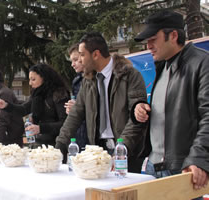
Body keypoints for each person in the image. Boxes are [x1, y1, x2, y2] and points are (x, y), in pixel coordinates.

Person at [132, 10, 209, 190]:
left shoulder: (202, 63)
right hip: (153, 166)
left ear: (173, 35)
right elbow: (166, 111)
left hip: (183, 169)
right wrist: (139, 109)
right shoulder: (163, 66)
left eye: (153, 39)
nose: (148, 46)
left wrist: (198, 158)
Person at [55, 32, 147, 172]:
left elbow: (136, 119)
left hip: (127, 153)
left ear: (96, 54)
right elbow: (75, 114)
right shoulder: (88, 81)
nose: (80, 60)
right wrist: (59, 146)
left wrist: (122, 150)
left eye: (82, 55)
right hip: (99, 153)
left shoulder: (130, 76)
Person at [0, 63, 70, 147]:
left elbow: (65, 123)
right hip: (40, 142)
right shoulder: (37, 94)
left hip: (57, 143)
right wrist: (6, 105)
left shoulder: (59, 93)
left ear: (44, 78)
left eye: (33, 79)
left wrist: (40, 128)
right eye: (29, 80)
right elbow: (24, 109)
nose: (30, 83)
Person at [64, 43, 89, 151]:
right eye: (71, 61)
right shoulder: (76, 81)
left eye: (75, 59)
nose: (72, 64)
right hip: (78, 133)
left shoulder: (98, 79)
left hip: (92, 133)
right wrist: (71, 109)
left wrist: (78, 107)